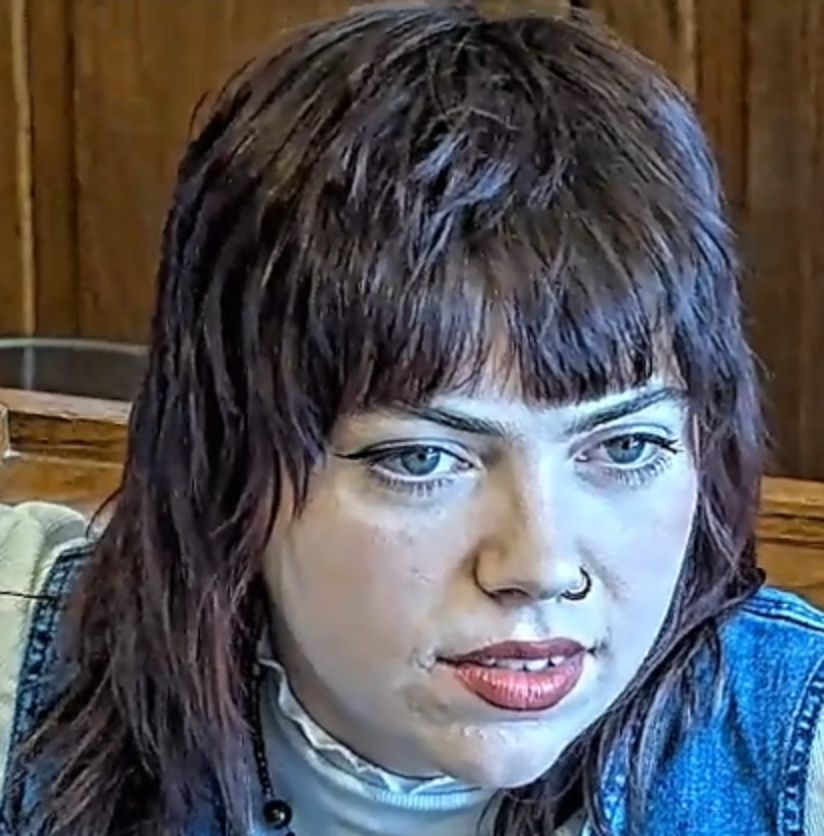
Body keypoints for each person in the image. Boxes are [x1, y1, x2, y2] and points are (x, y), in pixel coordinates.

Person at [1, 3, 823, 834]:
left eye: (627, 445)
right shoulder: (20, 666)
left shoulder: (797, 751)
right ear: (226, 454)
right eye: (422, 460)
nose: (539, 566)